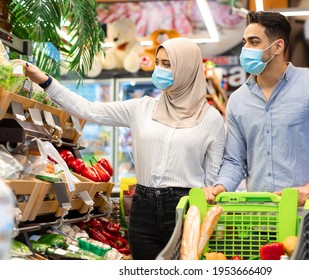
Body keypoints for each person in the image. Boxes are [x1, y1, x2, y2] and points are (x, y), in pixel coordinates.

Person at [22, 37, 226, 260]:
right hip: (143, 206)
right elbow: (90, 110)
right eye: (158, 62)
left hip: (186, 207)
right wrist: (45, 81)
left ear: (187, 69)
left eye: (168, 64)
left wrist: (214, 192)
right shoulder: (142, 108)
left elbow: (213, 177)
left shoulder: (212, 119)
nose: (159, 70)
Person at [203, 11, 309, 260]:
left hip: (308, 223)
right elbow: (235, 160)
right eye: (244, 42)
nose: (245, 48)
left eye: (253, 42)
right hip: (257, 225)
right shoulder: (238, 100)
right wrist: (220, 186)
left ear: (277, 46)